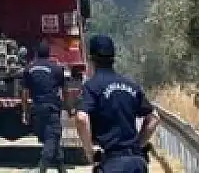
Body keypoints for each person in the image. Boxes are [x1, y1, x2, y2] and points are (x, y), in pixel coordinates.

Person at [74, 33, 160, 172]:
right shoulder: (131, 85)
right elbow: (154, 117)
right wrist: (138, 144)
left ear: (90, 60)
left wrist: (89, 152)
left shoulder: (92, 86)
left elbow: (81, 118)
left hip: (111, 163)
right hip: (137, 164)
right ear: (113, 58)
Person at [21, 39, 68, 173]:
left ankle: (61, 168)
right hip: (52, 109)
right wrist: (69, 107)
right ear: (49, 53)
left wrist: (25, 112)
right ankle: (42, 167)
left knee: (52, 138)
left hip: (37, 110)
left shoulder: (29, 69)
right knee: (51, 139)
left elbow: (24, 93)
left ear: (35, 53)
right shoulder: (57, 69)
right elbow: (65, 90)